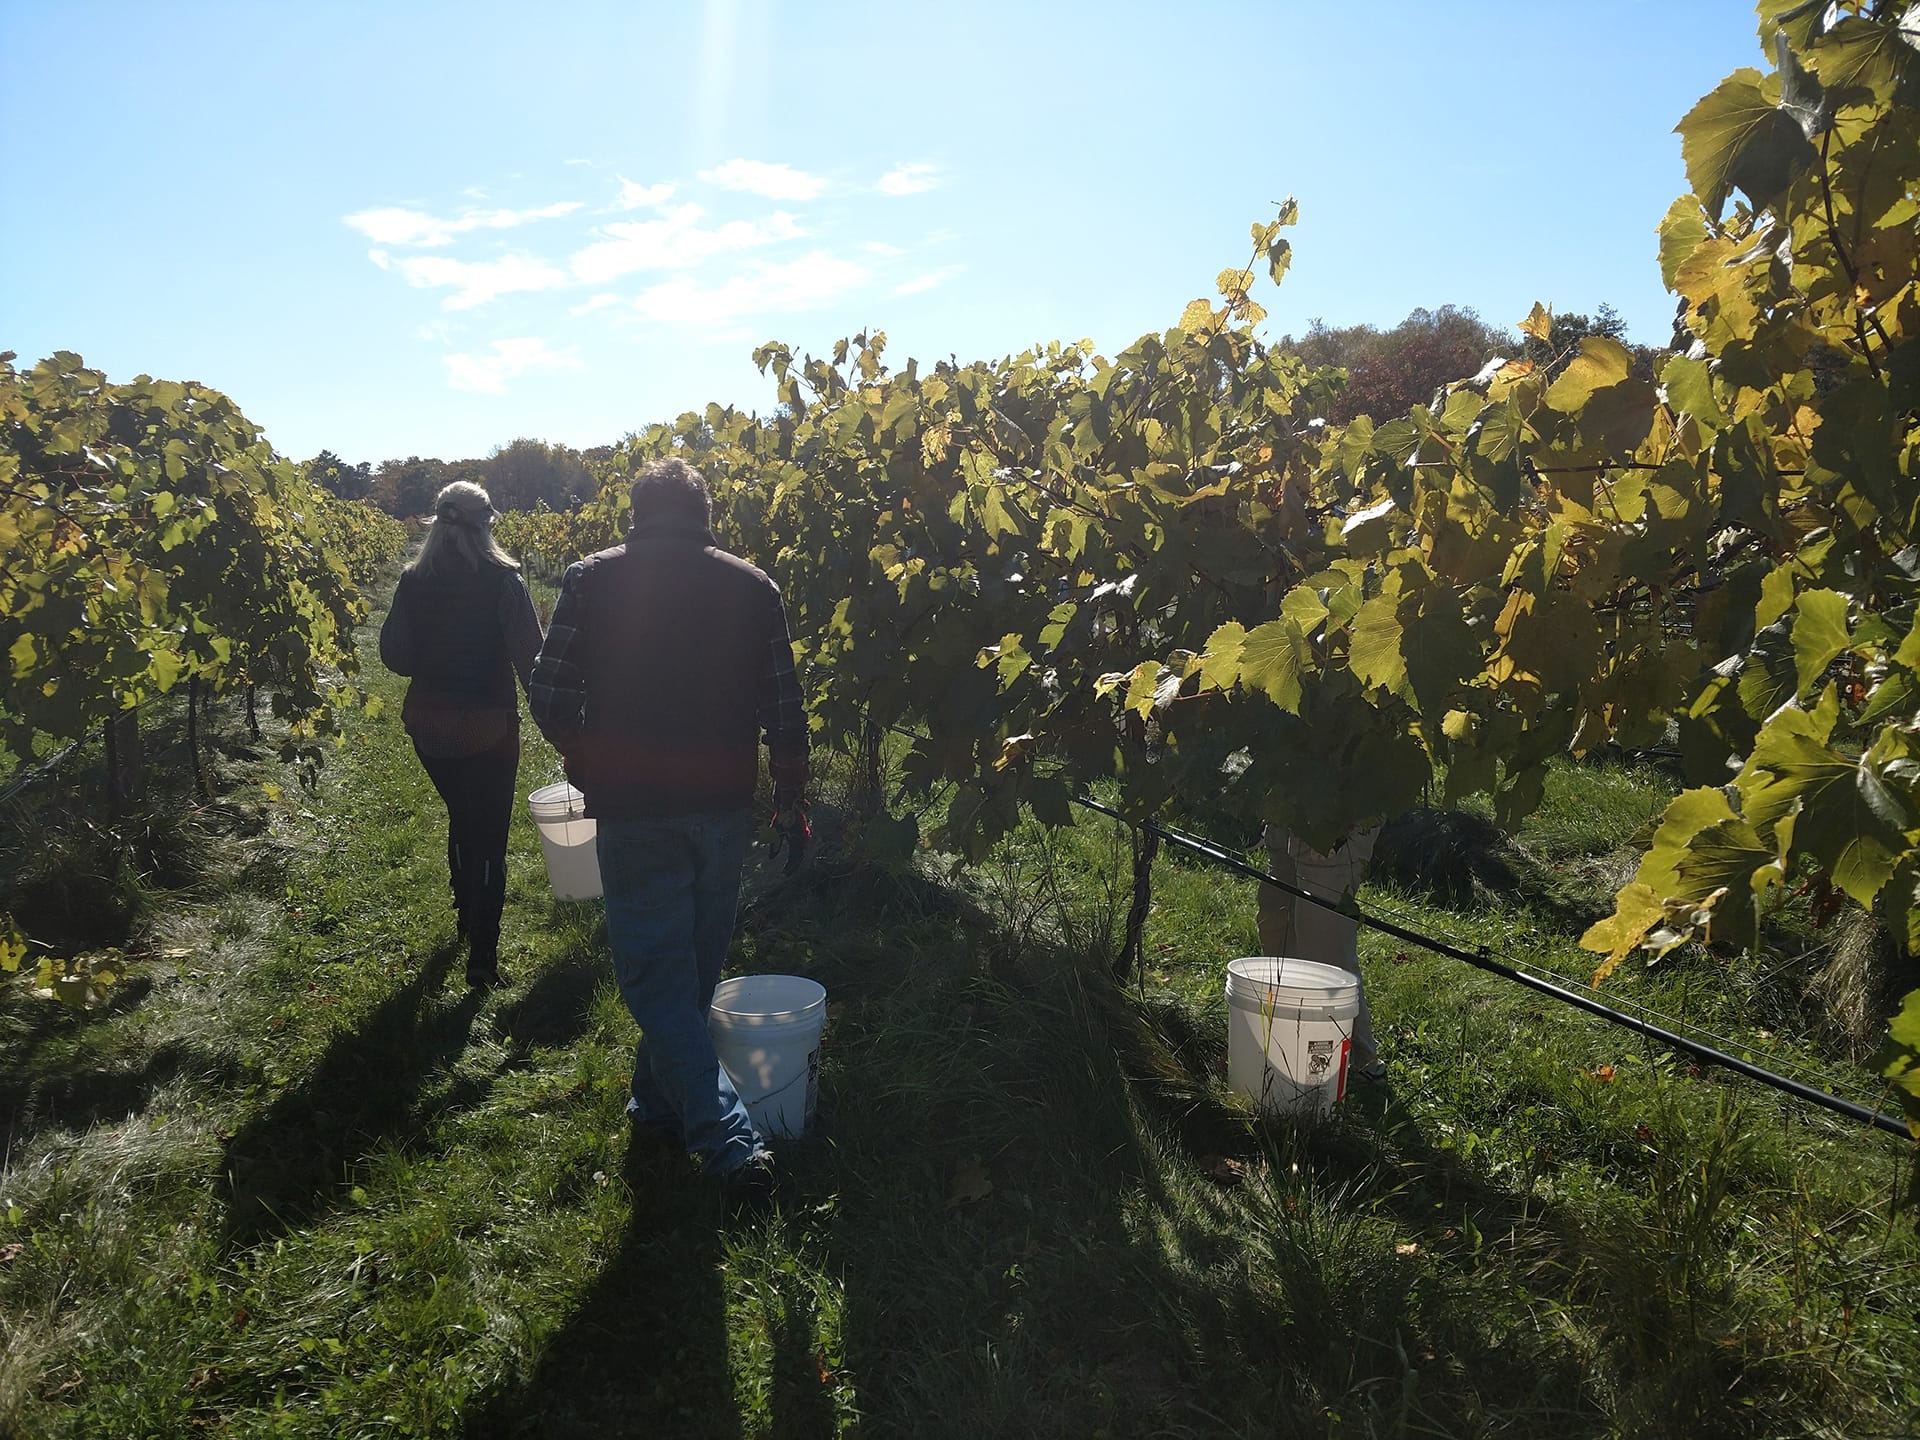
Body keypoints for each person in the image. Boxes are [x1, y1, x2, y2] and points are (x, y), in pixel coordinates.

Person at [529, 457, 808, 1190]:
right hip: (722, 806)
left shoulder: (591, 579)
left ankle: (726, 1144)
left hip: (634, 806)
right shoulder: (754, 586)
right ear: (704, 512)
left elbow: (549, 689)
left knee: (657, 978)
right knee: (687, 971)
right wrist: (790, 795)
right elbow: (785, 706)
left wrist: (585, 756)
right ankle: (655, 1107)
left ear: (636, 510)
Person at [379, 480, 542, 989]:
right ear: (485, 523)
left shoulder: (412, 580)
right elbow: (530, 660)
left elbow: (395, 658)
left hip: (429, 725)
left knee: (462, 814)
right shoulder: (503, 581)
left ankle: (465, 911)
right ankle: (483, 959)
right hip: (488, 726)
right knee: (489, 836)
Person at [1257, 824, 1387, 1084]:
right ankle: (1290, 1034)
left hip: (1338, 821)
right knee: (1276, 927)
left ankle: (1359, 1062)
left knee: (1325, 955)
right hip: (1288, 814)